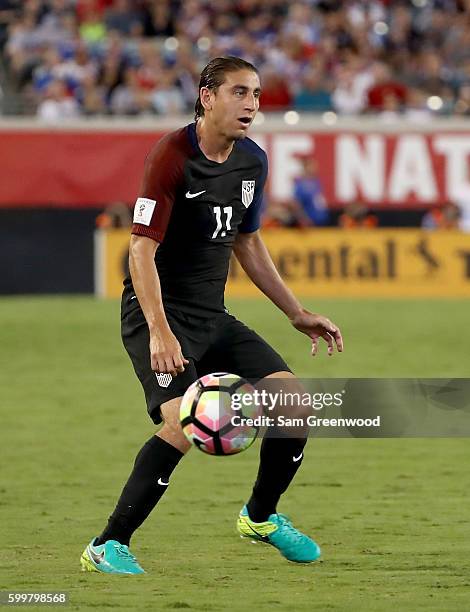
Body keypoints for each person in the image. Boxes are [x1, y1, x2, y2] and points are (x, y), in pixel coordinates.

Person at [80, 56, 343, 575]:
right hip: (155, 312)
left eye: (257, 95)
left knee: (294, 406)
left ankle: (261, 518)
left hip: (212, 315)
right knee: (181, 425)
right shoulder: (171, 157)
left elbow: (248, 242)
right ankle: (107, 545)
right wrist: (159, 331)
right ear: (208, 96)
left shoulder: (252, 161)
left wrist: (296, 312)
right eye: (241, 93)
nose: (252, 105)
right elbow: (139, 251)